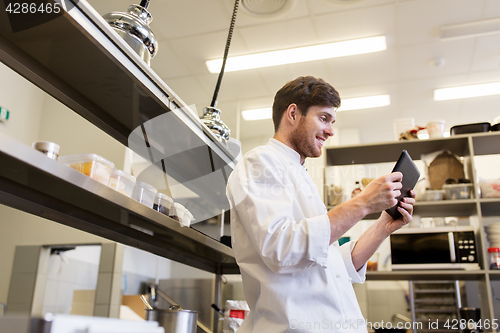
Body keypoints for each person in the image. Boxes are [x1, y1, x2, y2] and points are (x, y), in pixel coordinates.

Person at [226, 76, 415, 333]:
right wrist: (361, 203)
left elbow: (335, 266)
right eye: (324, 118)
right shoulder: (259, 162)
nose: (330, 131)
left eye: (332, 122)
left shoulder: (300, 174)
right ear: (293, 113)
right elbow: (281, 249)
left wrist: (383, 225)